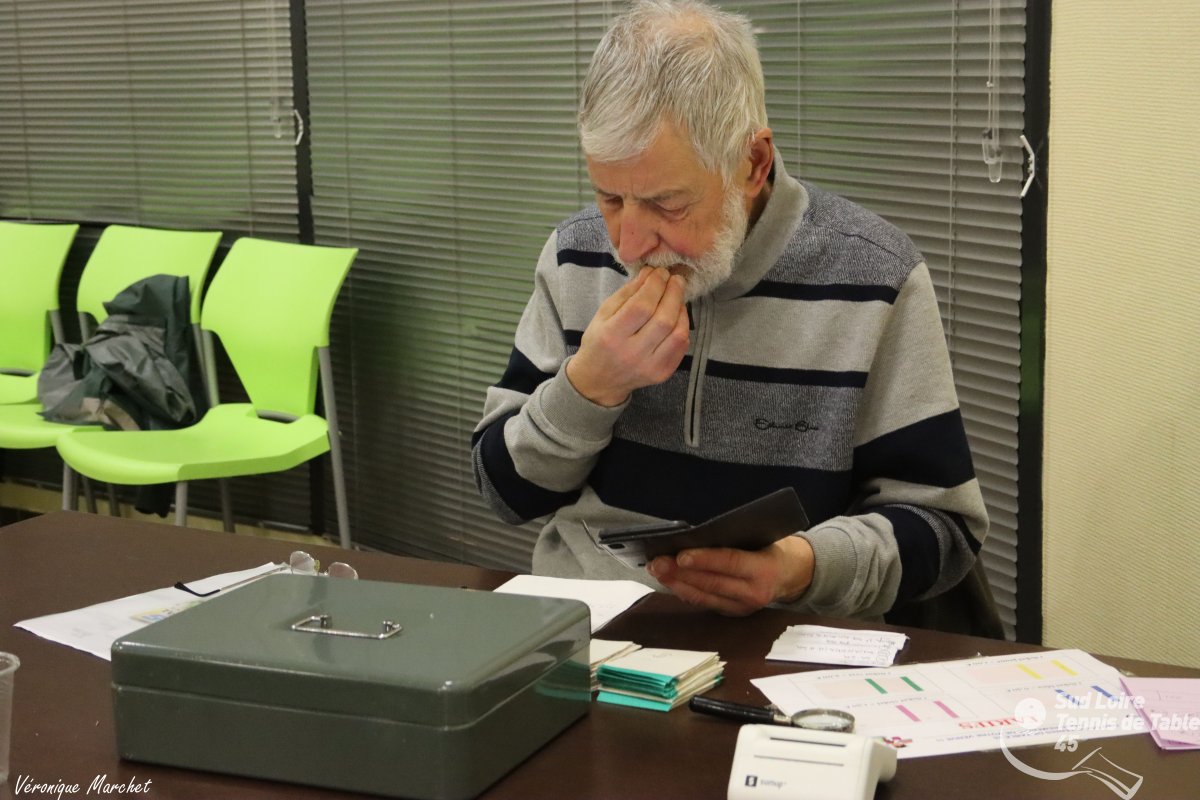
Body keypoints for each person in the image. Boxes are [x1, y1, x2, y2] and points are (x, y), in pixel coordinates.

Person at [472, 0, 988, 619]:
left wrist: (801, 568)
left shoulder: (875, 276)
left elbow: (944, 530)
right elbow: (504, 493)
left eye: (667, 205)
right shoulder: (574, 255)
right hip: (593, 622)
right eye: (610, 197)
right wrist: (588, 388)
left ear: (753, 163)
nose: (628, 245)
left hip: (788, 640)